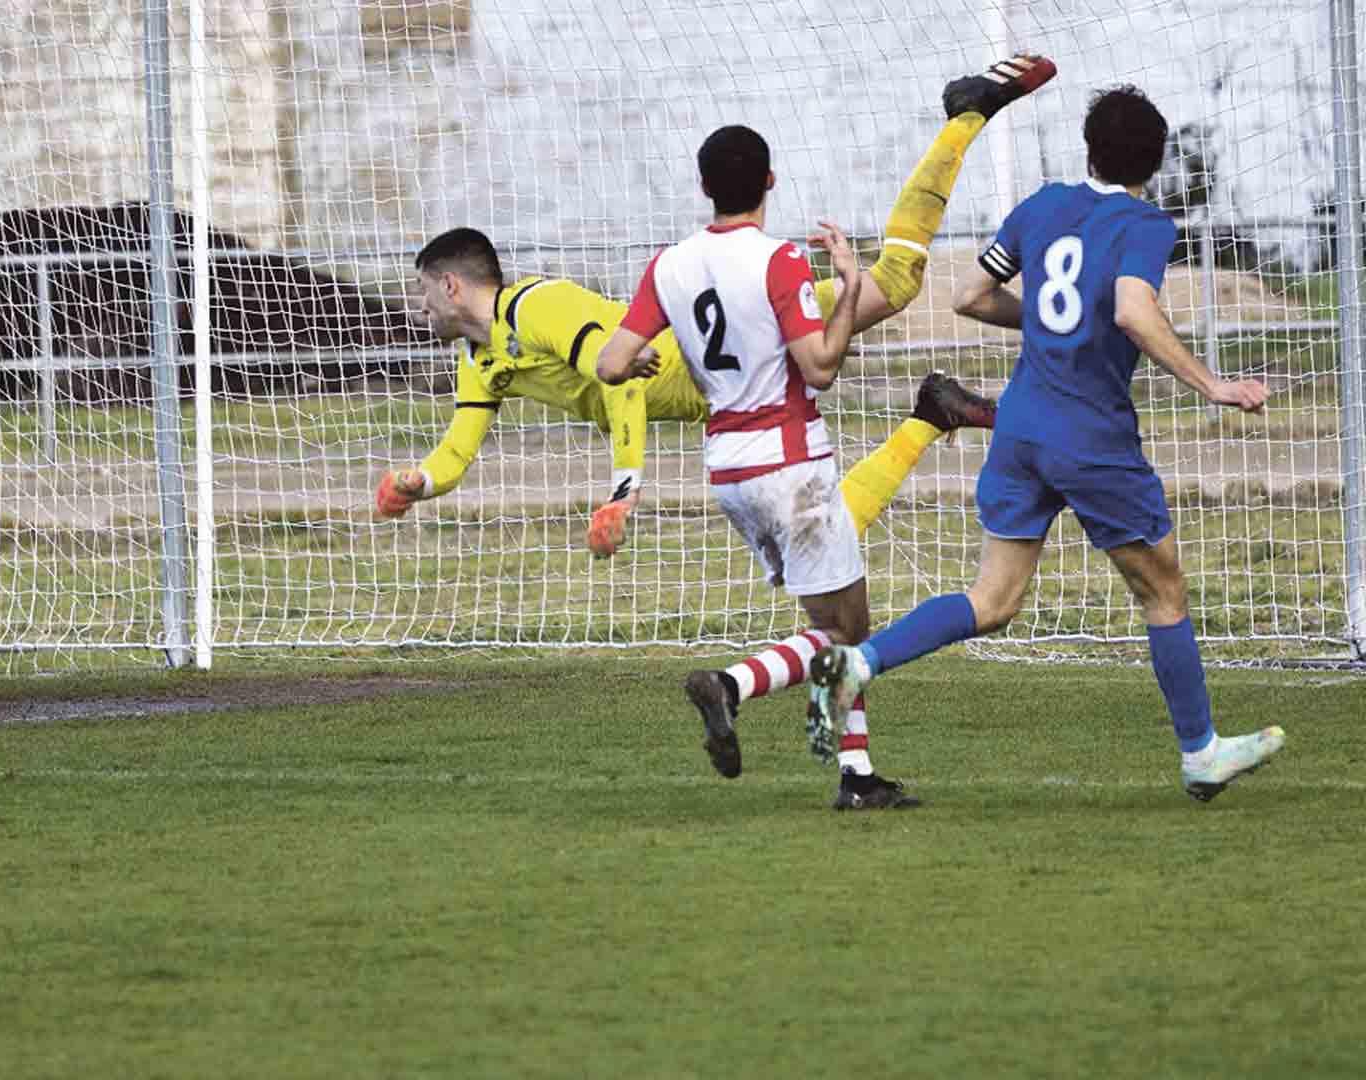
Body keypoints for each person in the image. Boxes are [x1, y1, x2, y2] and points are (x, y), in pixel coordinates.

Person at [594, 56, 1056, 810]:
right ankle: (737, 686)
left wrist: (643, 354)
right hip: (789, 460)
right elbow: (821, 366)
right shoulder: (779, 260)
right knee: (849, 633)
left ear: (705, 187)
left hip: (728, 469)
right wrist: (842, 286)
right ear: (770, 182)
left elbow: (613, 363)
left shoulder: (668, 265)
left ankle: (855, 774)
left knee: (833, 624)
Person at [805, 85, 1283, 804]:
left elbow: (969, 296)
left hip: (1020, 426)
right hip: (1090, 436)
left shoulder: (1042, 206)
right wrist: (1210, 384)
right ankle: (1201, 752)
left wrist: (1047, 327)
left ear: (1087, 149)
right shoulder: (1146, 223)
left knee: (992, 600)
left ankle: (858, 665)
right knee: (1164, 591)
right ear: (1152, 162)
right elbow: (1131, 308)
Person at [373, 60, 1059, 560]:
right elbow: (460, 448)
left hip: (747, 348)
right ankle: (928, 414)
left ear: (453, 285)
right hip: (733, 387)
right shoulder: (479, 356)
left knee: (893, 288)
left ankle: (965, 119)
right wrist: (419, 482)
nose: (417, 304)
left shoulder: (539, 307)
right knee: (816, 546)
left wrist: (624, 488)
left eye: (422, 288)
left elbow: (623, 387)